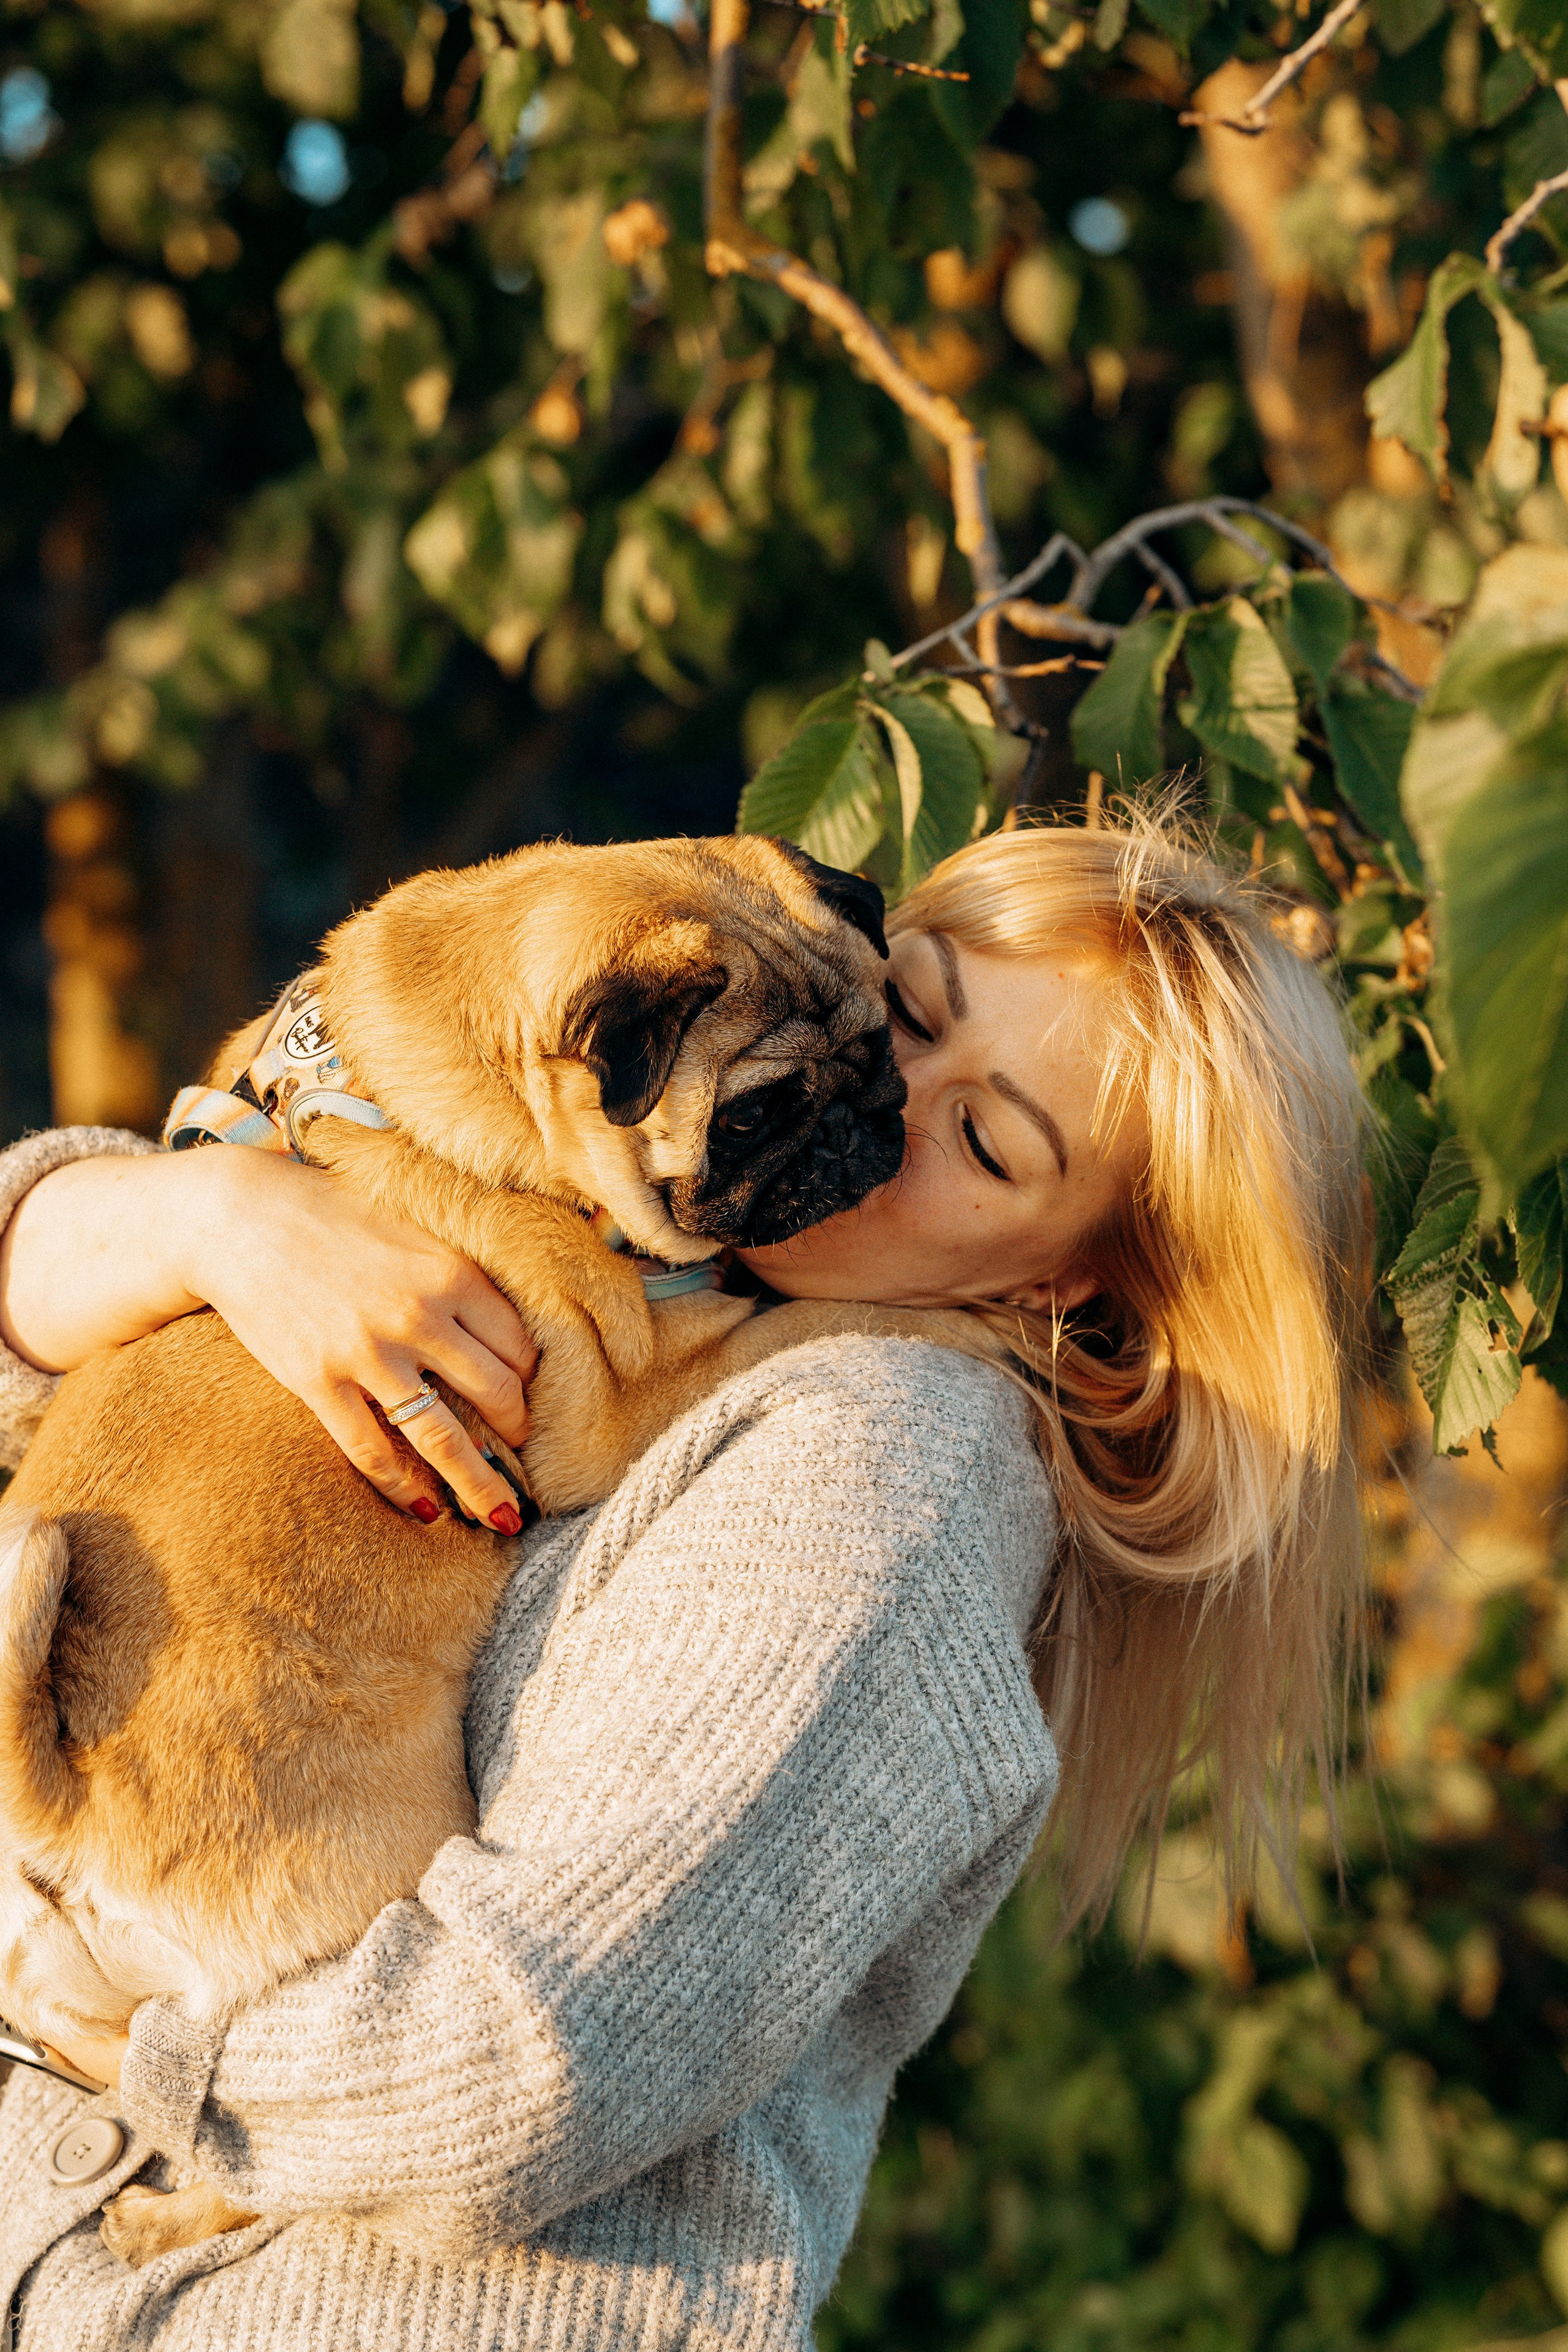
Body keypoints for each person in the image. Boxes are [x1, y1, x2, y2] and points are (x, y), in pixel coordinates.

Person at [0, 811, 1368, 2351]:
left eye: (985, 1141)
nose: (886, 1102)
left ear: (1057, 1279)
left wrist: (136, 2049)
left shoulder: (885, 1452)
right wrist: (199, 1215)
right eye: (902, 1010)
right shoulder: (603, 1203)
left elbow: (522, 2069)